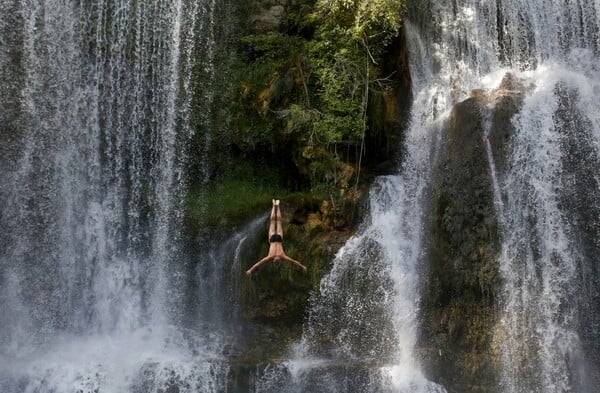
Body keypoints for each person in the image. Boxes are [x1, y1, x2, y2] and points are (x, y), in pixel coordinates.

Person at [246, 199, 307, 275]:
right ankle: (276, 206)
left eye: (276, 260)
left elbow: (259, 263)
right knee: (276, 221)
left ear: (274, 260)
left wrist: (251, 270)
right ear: (279, 260)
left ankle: (275, 205)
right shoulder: (280, 256)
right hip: (277, 239)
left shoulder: (272, 257)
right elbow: (294, 262)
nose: (277, 258)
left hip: (275, 239)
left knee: (274, 221)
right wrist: (302, 266)